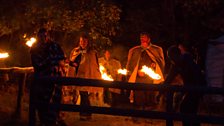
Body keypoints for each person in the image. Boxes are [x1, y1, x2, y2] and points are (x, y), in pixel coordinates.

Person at [29, 28, 67, 126]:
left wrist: (58, 65)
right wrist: (50, 61)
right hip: (42, 79)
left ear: (48, 36)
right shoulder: (35, 48)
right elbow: (37, 64)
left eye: (45, 36)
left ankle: (55, 120)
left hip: (55, 79)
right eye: (41, 36)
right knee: (42, 102)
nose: (43, 38)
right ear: (38, 37)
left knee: (56, 100)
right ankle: (44, 122)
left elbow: (62, 59)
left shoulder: (55, 46)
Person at [161, 45, 206, 126]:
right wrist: (160, 92)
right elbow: (169, 78)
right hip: (189, 89)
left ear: (177, 55)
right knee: (186, 109)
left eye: (171, 57)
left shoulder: (189, 62)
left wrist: (199, 92)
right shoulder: (176, 64)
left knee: (186, 108)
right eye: (170, 58)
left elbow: (197, 77)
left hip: (196, 88)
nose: (171, 60)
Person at [126, 32, 165, 111]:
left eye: (144, 37)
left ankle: (148, 112)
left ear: (149, 39)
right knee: (139, 95)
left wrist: (155, 64)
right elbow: (130, 64)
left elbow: (161, 62)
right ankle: (139, 111)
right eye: (141, 38)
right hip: (138, 78)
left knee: (149, 94)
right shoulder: (135, 50)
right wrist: (136, 72)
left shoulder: (156, 49)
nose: (142, 39)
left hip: (149, 78)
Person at [68, 32, 103, 121]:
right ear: (79, 42)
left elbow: (94, 65)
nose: (83, 43)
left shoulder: (92, 52)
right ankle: (86, 114)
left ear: (88, 42)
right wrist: (73, 64)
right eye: (81, 41)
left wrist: (96, 76)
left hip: (87, 76)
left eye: (84, 41)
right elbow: (72, 62)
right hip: (78, 75)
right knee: (83, 94)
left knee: (84, 94)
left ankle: (85, 114)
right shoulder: (75, 51)